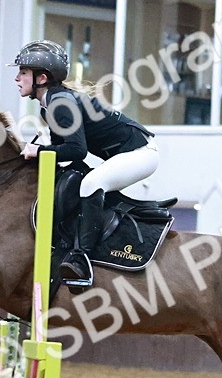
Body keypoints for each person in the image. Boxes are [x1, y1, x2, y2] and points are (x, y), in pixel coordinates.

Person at [11, 40, 158, 286]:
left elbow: (76, 151)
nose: (17, 78)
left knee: (91, 183)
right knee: (77, 179)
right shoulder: (49, 107)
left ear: (42, 78)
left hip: (142, 153)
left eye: (23, 72)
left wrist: (38, 150)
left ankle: (81, 259)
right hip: (124, 154)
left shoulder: (60, 102)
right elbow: (65, 155)